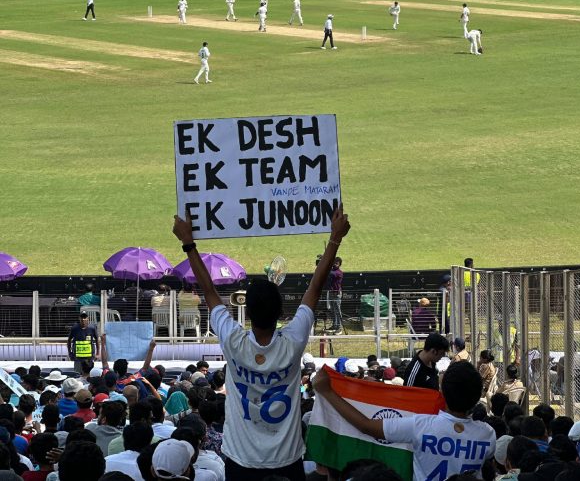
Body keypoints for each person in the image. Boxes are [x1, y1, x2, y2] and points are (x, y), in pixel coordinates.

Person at [170, 205, 350, 481]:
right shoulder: (293, 340)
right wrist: (335, 238)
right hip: (287, 460)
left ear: (247, 313)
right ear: (281, 313)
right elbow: (315, 287)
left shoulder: (233, 340)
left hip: (241, 462)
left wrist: (188, 243)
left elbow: (209, 290)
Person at [312, 361, 495, 479]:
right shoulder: (487, 435)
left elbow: (366, 425)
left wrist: (327, 391)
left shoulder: (420, 426)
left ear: (443, 392)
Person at [324, 257, 343, 334]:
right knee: (333, 310)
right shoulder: (332, 270)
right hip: (331, 293)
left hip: (336, 293)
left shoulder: (339, 272)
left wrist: (326, 263)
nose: (335, 264)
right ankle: (335, 325)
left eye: (337, 263)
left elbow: (331, 273)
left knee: (338, 311)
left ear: (339, 265)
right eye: (334, 262)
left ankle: (339, 328)